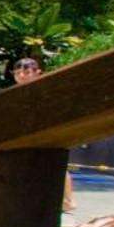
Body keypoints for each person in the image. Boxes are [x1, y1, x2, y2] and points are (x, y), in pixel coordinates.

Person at [13, 57, 76, 211]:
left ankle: (69, 200)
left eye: (26, 72)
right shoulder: (14, 93)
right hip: (25, 134)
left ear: (37, 73)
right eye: (18, 72)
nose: (21, 75)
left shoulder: (44, 90)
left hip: (47, 132)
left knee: (58, 166)